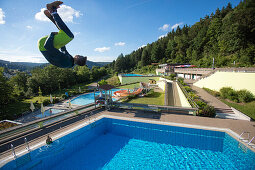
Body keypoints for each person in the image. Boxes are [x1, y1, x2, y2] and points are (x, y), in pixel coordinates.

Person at [38, 1, 87, 68]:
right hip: (47, 46)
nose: (79, 55)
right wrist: (63, 41)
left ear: (79, 60)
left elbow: (47, 47)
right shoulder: (70, 60)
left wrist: (51, 35)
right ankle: (54, 16)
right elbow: (63, 50)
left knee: (69, 36)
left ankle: (53, 11)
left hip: (44, 45)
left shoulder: (66, 61)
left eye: (80, 56)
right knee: (65, 35)